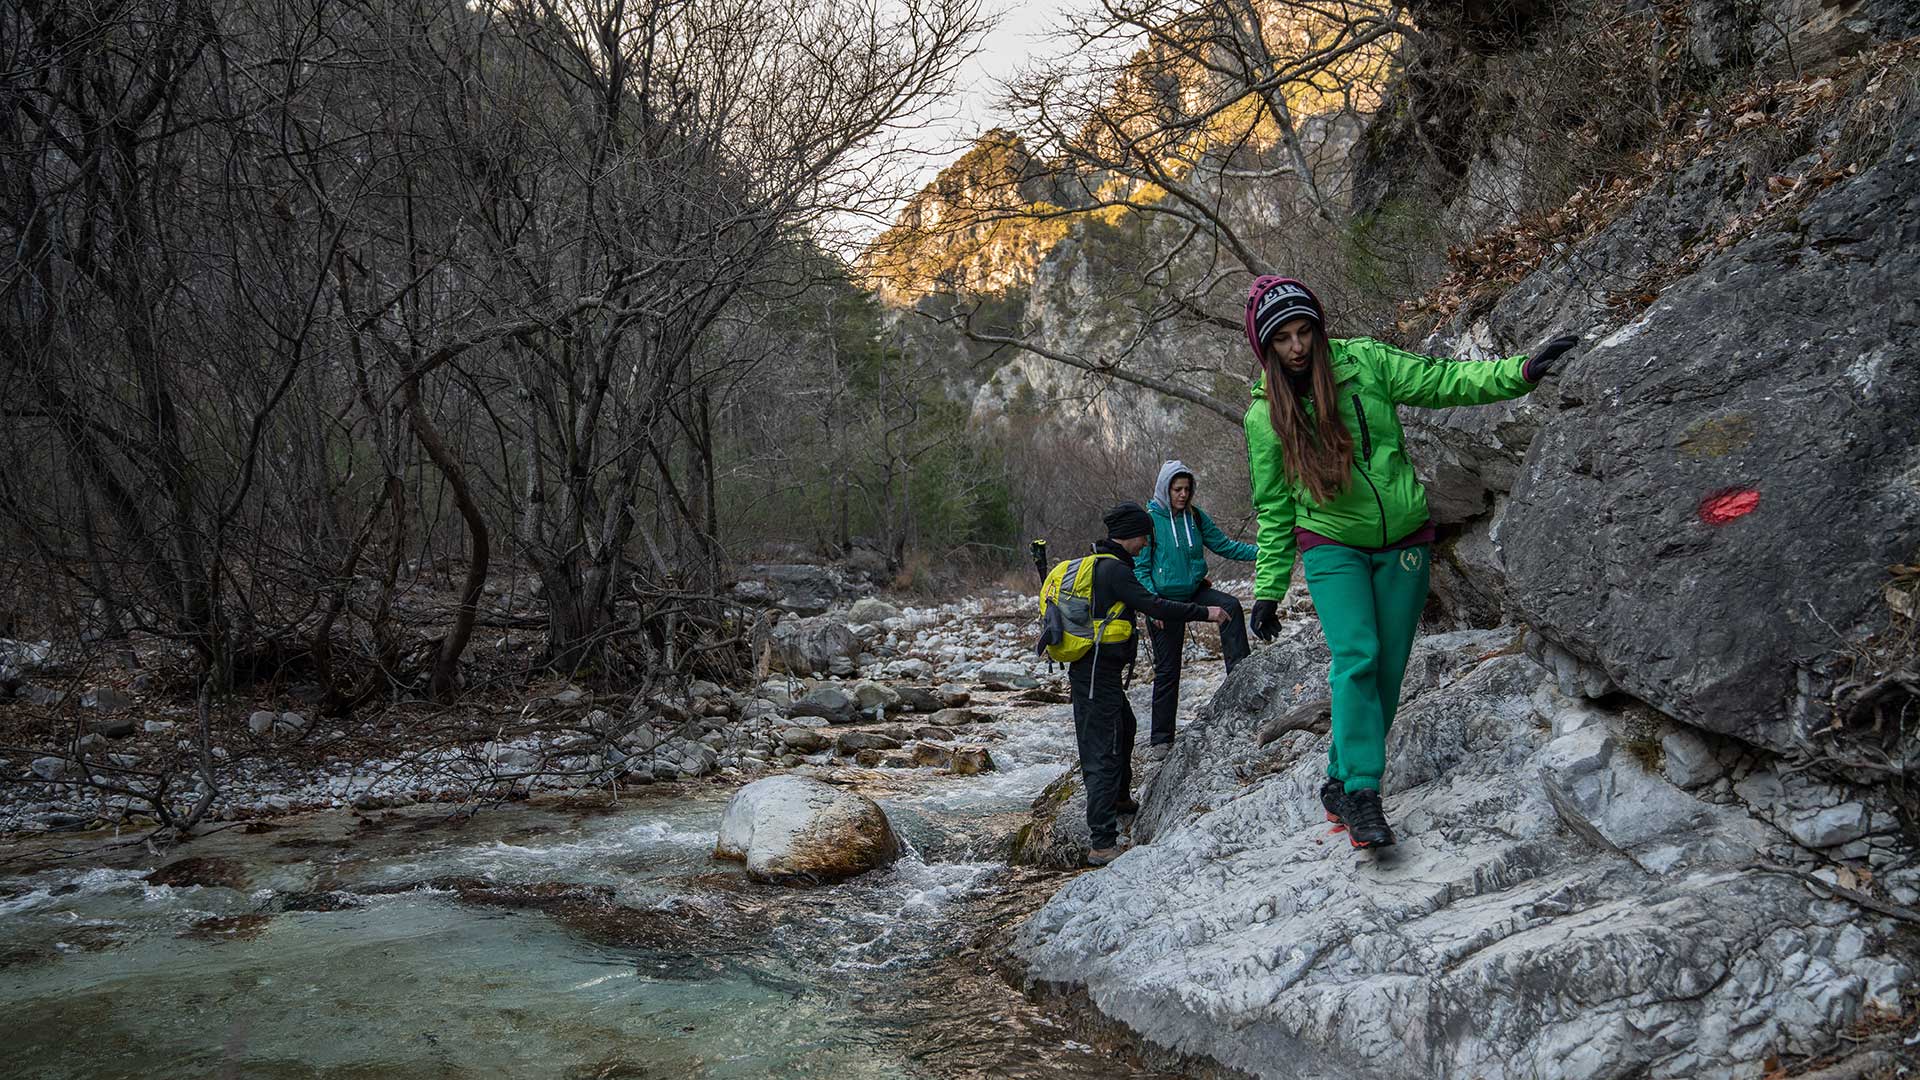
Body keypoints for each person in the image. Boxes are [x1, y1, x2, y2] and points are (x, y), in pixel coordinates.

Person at [1240, 276, 1578, 850]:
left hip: (1402, 539)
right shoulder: (1264, 417)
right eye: (1283, 338)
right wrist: (1268, 590)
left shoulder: (1367, 363)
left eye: (1305, 332)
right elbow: (1273, 507)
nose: (1297, 346)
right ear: (1266, 346)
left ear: (1318, 330)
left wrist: (1519, 372)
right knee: (1357, 657)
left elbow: (1444, 381)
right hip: (1330, 542)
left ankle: (1338, 778)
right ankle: (1365, 793)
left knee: (1389, 671)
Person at [1072, 502, 1229, 866]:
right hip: (1097, 676)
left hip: (1095, 673)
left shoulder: (1100, 564)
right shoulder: (1114, 571)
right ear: (1129, 534)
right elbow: (1156, 605)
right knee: (1102, 752)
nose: (1146, 544)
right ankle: (1102, 842)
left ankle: (1121, 798)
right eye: (1144, 536)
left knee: (1125, 727)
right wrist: (1205, 612)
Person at [1135, 460, 1257, 759]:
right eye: (1177, 489)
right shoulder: (1150, 522)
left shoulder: (1195, 517)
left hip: (1195, 591)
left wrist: (1266, 552)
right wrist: (1152, 607)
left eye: (1187, 489)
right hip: (1163, 602)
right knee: (1168, 669)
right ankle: (1161, 740)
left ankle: (1239, 681)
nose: (1182, 495)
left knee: (1230, 606)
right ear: (1165, 489)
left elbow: (1225, 546)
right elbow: (1141, 568)